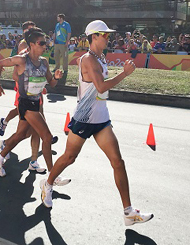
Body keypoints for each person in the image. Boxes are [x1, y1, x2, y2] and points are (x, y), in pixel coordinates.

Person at [40, 20, 153, 226]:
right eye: (105, 35)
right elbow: (100, 87)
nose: (108, 38)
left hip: (101, 119)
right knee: (69, 157)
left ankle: (128, 212)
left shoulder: (101, 57)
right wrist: (124, 74)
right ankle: (47, 184)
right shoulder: (88, 60)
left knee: (117, 161)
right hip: (83, 118)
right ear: (94, 36)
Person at [0, 27, 65, 177]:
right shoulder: (22, 59)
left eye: (46, 43)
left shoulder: (43, 62)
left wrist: (56, 77)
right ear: (31, 44)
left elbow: (51, 83)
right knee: (47, 137)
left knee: (21, 135)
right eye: (41, 43)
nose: (45, 46)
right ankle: (52, 176)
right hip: (25, 103)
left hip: (37, 102)